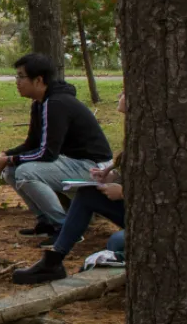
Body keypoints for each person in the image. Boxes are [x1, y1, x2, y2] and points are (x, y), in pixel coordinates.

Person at [0, 53, 113, 240]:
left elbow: (47, 153)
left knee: (25, 172)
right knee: (11, 171)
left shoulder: (56, 104)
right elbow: (32, 144)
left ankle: (66, 230)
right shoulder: (41, 103)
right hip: (73, 163)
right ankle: (46, 223)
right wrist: (4, 156)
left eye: (21, 76)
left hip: (95, 168)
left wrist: (10, 159)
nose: (17, 82)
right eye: (16, 76)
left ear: (38, 80)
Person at [14, 93, 128, 284]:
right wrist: (111, 176)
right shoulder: (135, 129)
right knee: (86, 194)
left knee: (116, 242)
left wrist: (123, 192)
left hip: (155, 218)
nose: (119, 95)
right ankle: (53, 261)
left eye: (124, 92)